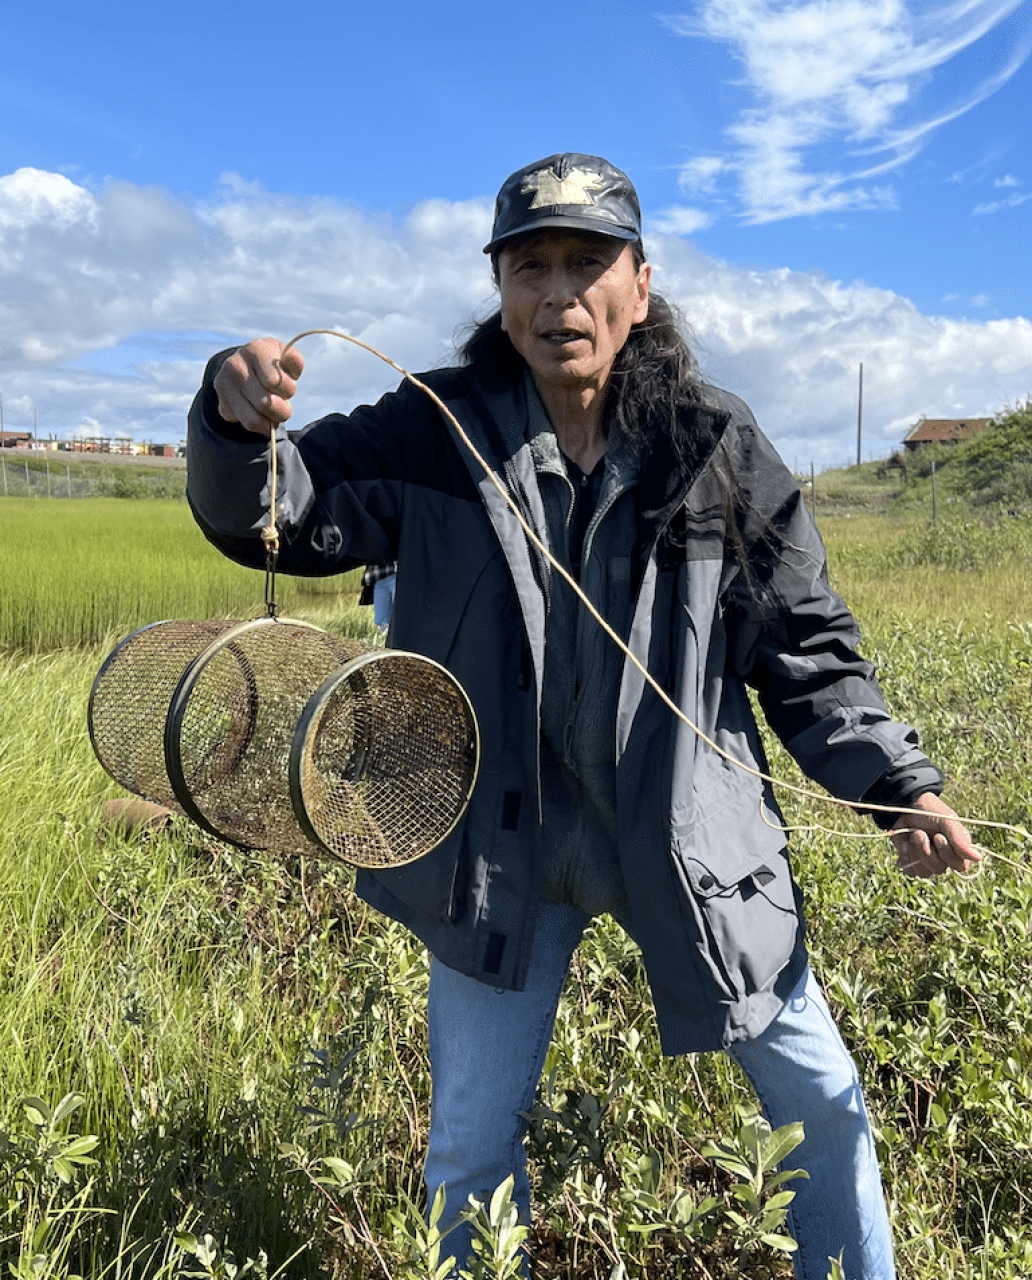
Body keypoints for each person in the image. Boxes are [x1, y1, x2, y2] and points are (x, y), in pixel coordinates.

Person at [187, 153, 978, 1280]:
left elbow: (804, 642)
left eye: (588, 263)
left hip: (693, 838)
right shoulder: (433, 430)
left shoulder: (714, 444)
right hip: (493, 848)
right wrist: (229, 420)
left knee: (828, 1104)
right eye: (530, 266)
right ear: (501, 292)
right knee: (468, 1144)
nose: (559, 295)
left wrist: (896, 783)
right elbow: (287, 511)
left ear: (640, 285)